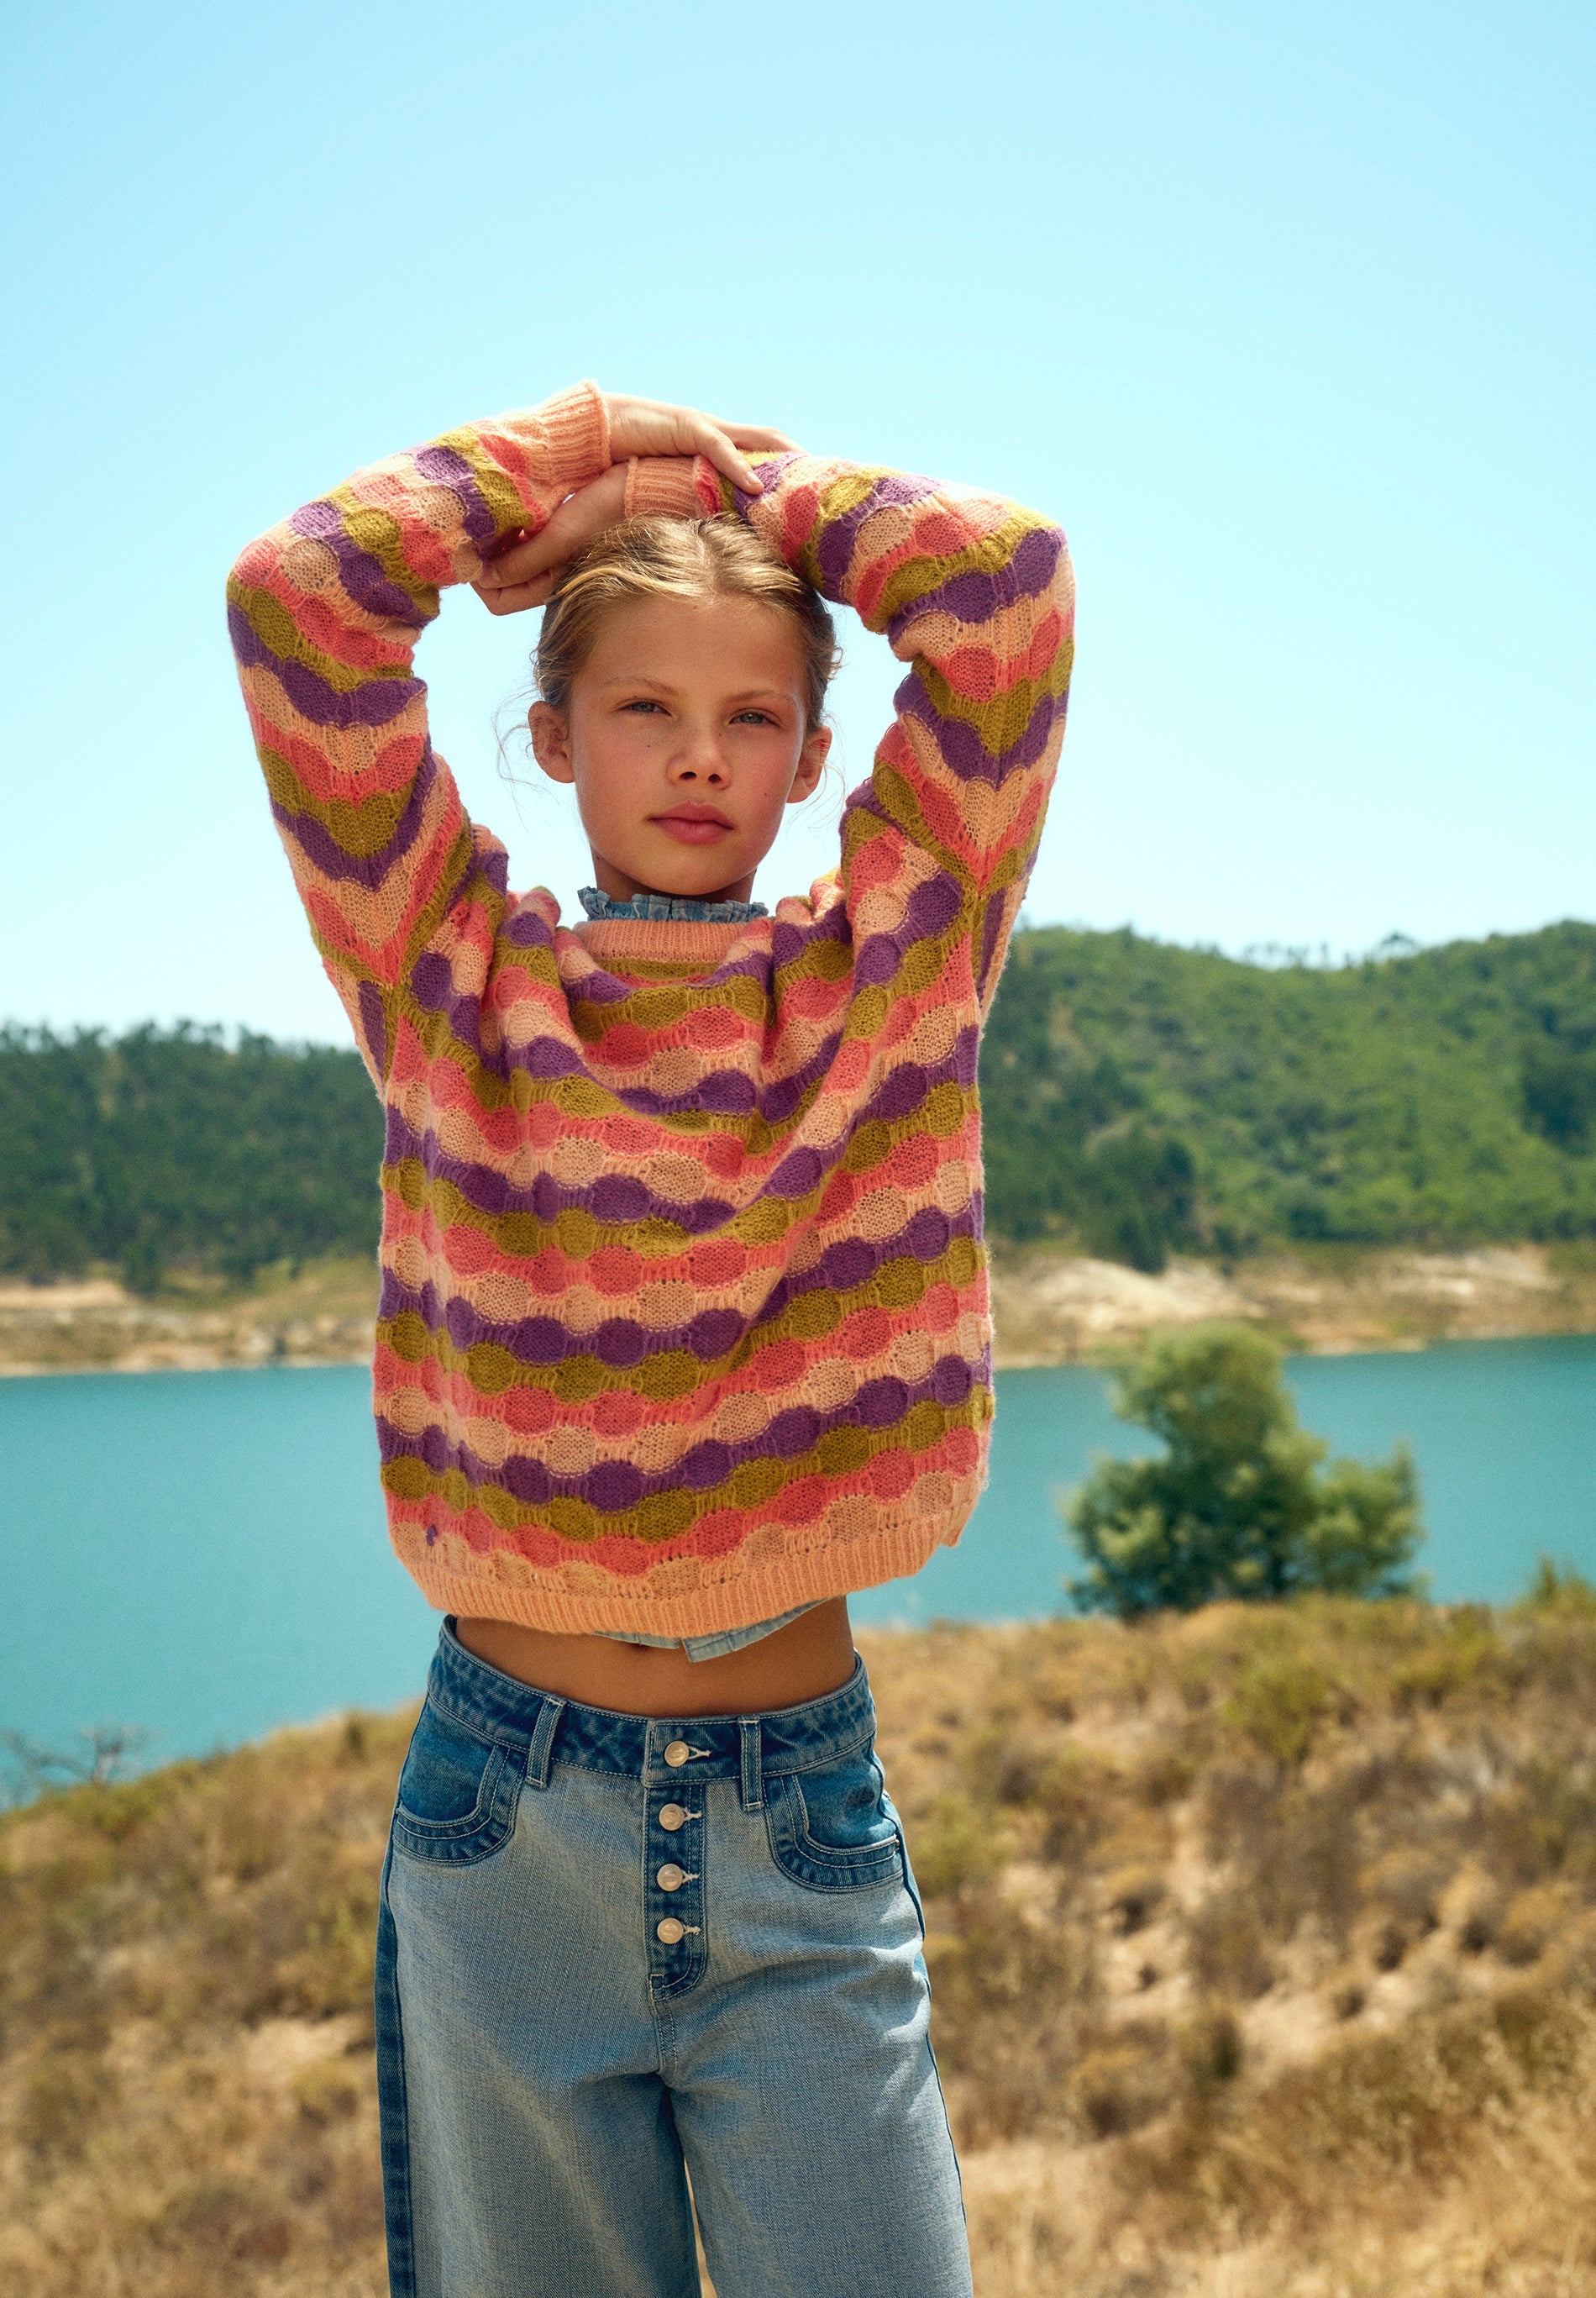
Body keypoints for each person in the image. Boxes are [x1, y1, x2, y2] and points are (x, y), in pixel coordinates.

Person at [227, 384, 1073, 2298]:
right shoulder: (445, 975)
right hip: (501, 1832)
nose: (699, 758)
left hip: (800, 1821)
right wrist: (565, 462)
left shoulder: (891, 966)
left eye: (750, 714)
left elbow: (1005, 588)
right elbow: (300, 603)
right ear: (549, 737)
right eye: (643, 708)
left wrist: (722, 477)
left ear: (810, 754)